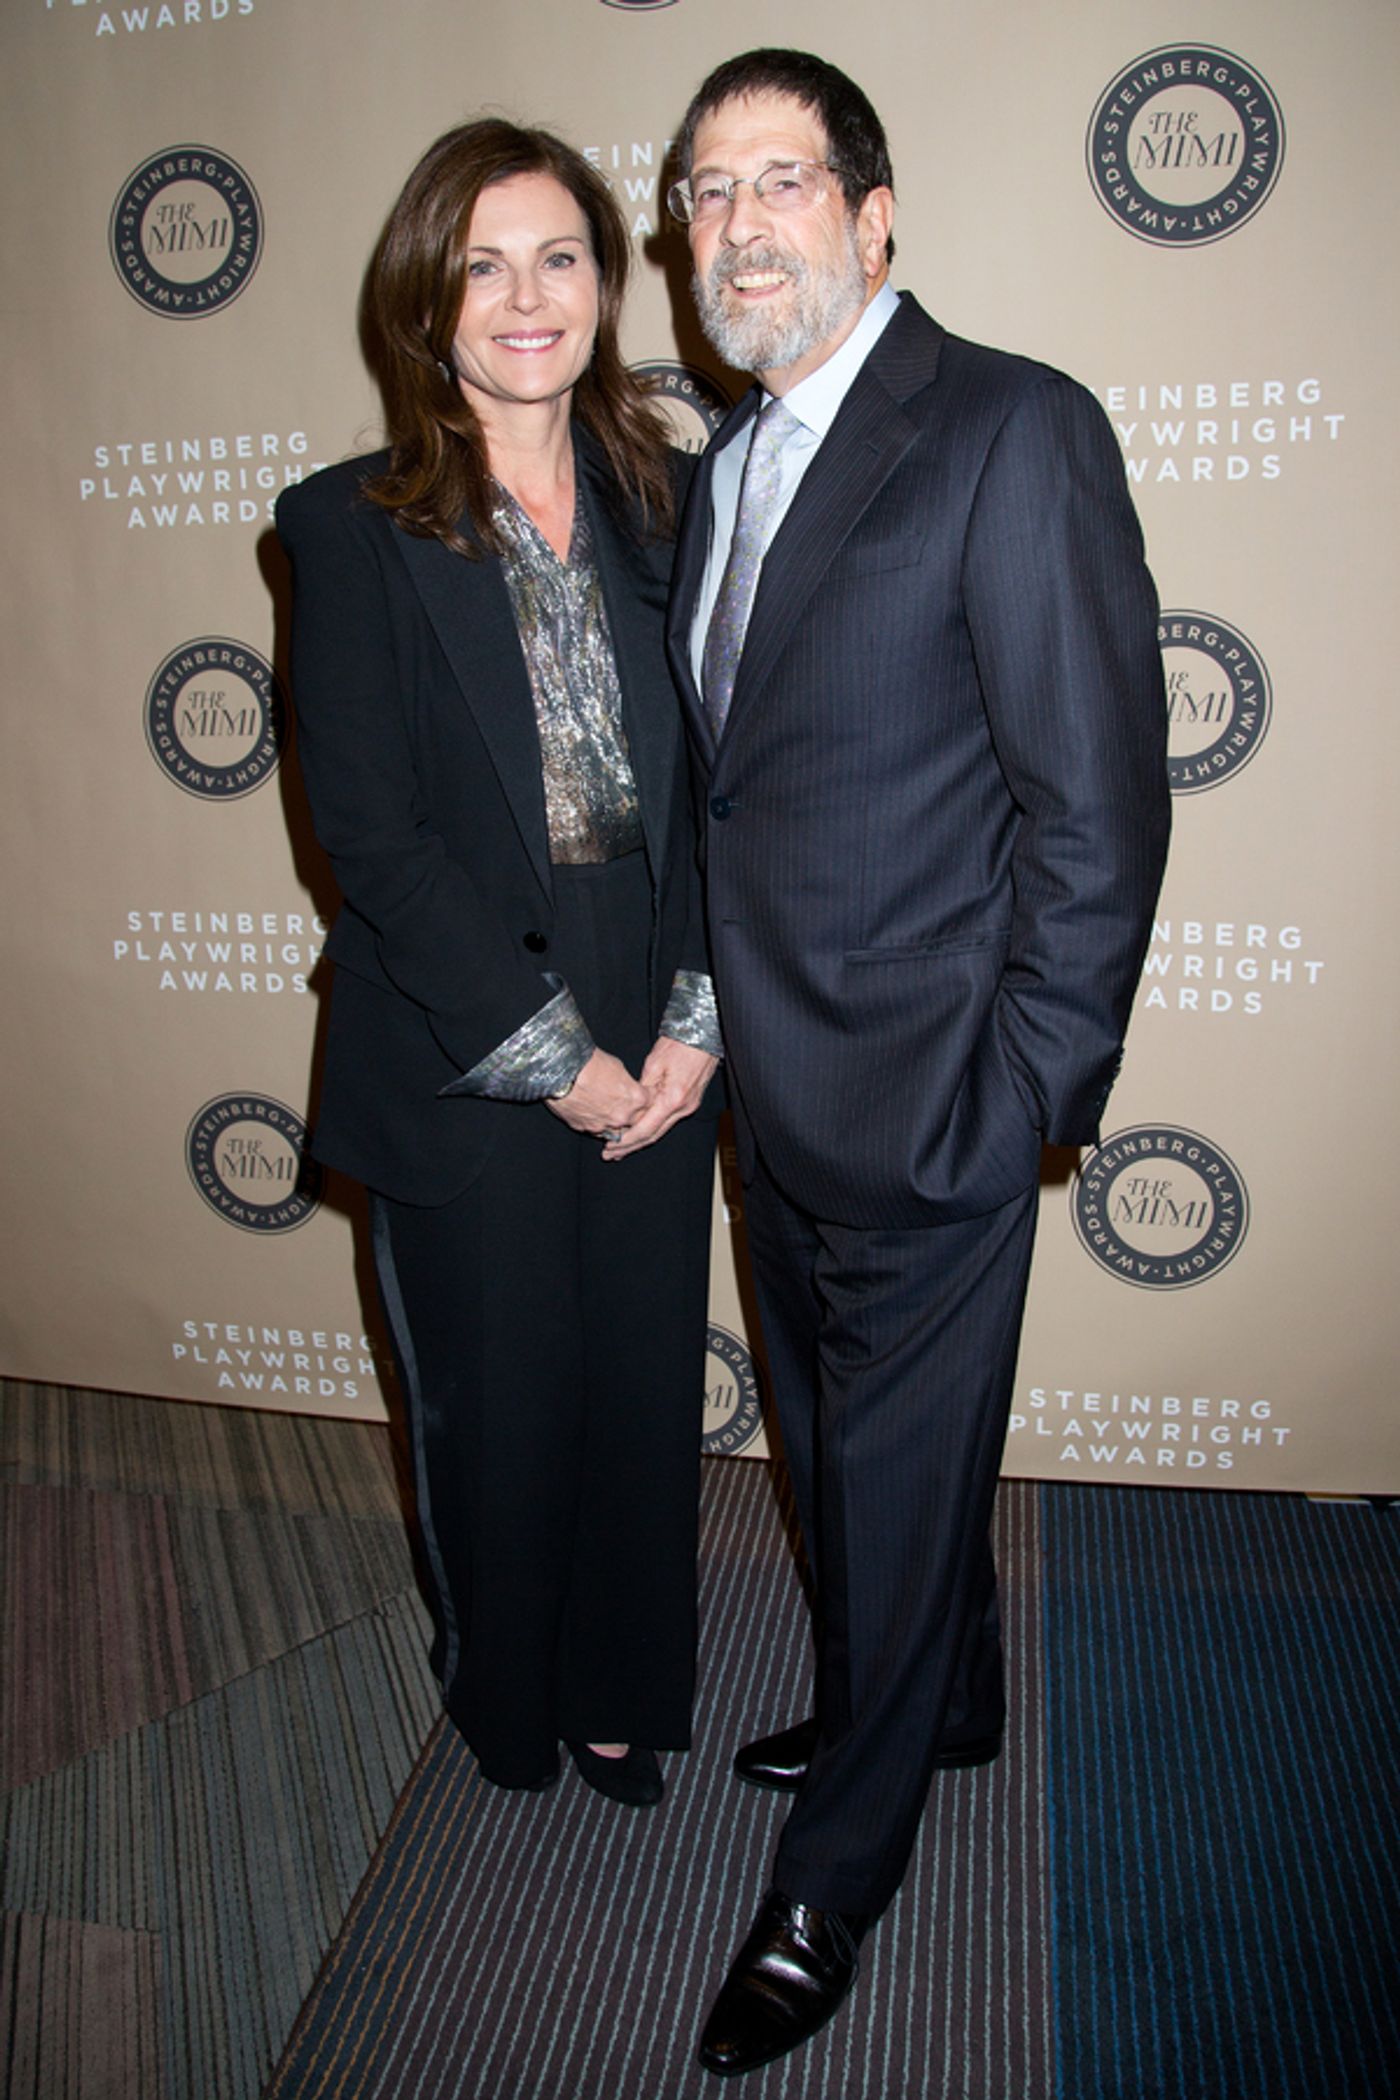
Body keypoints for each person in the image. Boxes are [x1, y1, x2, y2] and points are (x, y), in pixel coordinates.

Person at [665, 49, 1171, 2074]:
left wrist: (1023, 1093)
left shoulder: (1008, 429)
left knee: (875, 1487)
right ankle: (936, 1694)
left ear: (876, 218)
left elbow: (1096, 805)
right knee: (848, 1466)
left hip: (937, 1099)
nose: (737, 223)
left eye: (779, 177)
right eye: (701, 191)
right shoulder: (721, 467)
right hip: (769, 1110)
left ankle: (836, 1879)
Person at [276, 120, 720, 1812]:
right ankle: (507, 1691)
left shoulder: (677, 499)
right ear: (425, 298)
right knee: (498, 1400)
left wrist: (691, 1012)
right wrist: (553, 1050)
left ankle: (620, 1685)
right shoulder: (347, 526)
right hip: (466, 1025)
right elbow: (372, 841)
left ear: (609, 284)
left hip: (653, 981)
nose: (524, 297)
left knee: (628, 1380)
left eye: (559, 257)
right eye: (481, 263)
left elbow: (730, 781)